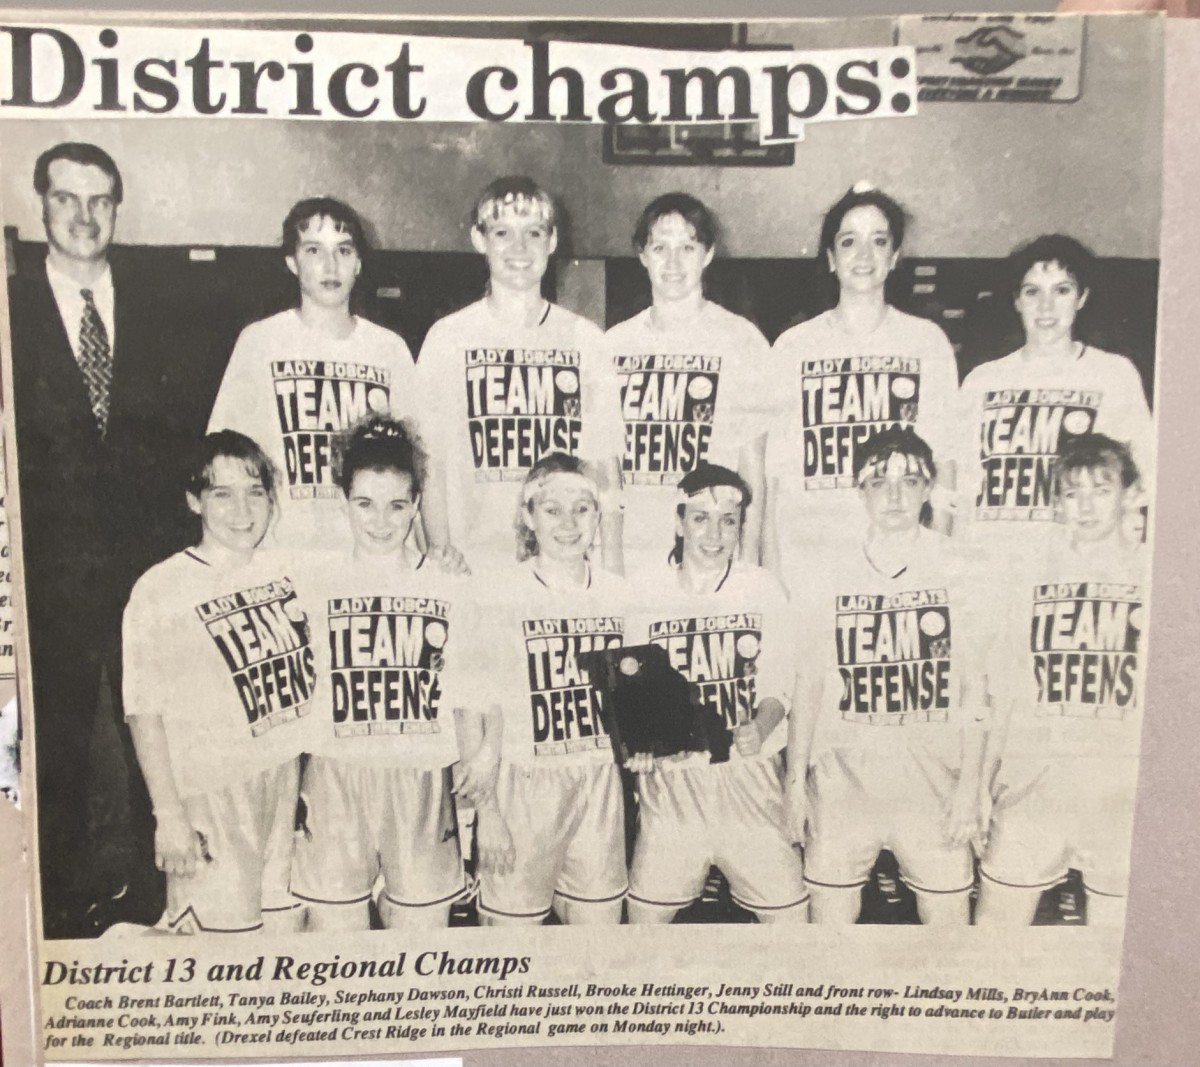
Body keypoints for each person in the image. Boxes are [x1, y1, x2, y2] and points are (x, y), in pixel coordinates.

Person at [8, 141, 188, 937]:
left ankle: (162, 894)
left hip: (147, 569)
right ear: (38, 203)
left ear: (118, 207)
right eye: (66, 198)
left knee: (159, 731)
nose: (83, 216)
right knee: (56, 747)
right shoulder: (10, 310)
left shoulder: (165, 306)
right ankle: (60, 901)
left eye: (100, 200)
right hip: (45, 572)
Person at [788, 427, 988, 926]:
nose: (895, 495)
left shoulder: (961, 566)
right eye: (880, 481)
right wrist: (793, 783)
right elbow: (809, 683)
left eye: (910, 480)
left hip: (932, 780)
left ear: (929, 487)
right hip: (843, 781)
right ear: (859, 490)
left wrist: (971, 788)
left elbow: (975, 688)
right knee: (829, 933)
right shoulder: (825, 570)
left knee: (948, 933)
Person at [122, 431, 314, 934]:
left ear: (273, 499)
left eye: (254, 491)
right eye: (221, 494)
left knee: (283, 948)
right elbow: (144, 712)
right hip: (212, 795)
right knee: (220, 959)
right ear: (194, 501)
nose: (241, 509)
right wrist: (168, 815)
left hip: (283, 785)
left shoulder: (288, 570)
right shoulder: (160, 588)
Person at [289, 417, 468, 930]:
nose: (381, 520)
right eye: (365, 503)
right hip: (337, 778)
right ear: (343, 500)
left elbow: (473, 686)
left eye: (396, 505)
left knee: (423, 955)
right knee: (336, 955)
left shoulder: (444, 580)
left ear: (416, 505)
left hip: (420, 778)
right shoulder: (313, 580)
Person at [976, 434, 1147, 928]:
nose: (1086, 505)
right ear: (1056, 504)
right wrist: (981, 786)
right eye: (1072, 493)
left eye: (1102, 488)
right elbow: (1003, 692)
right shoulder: (1030, 576)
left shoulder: (1153, 577)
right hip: (1034, 784)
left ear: (1130, 494)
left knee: (1112, 954)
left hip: (1118, 791)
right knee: (994, 940)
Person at [625, 464, 808, 925]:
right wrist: (639, 744)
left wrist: (761, 725)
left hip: (749, 779)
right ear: (678, 521)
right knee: (644, 929)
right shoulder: (643, 591)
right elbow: (631, 694)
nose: (714, 533)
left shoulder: (762, 588)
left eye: (728, 520)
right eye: (701, 518)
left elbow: (779, 687)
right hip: (672, 788)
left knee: (790, 923)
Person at [417, 177, 623, 574]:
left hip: (564, 564)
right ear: (480, 240)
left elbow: (604, 469)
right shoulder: (447, 338)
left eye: (533, 233)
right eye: (502, 233)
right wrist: (442, 555)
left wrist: (611, 571)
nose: (519, 249)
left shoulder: (586, 340)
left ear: (553, 240)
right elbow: (431, 467)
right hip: (475, 563)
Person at [457, 453, 628, 925]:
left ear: (598, 514)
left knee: (597, 950)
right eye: (553, 510)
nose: (569, 523)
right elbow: (470, 707)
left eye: (582, 508)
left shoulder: (619, 594)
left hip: (597, 783)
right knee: (513, 951)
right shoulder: (497, 593)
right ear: (528, 516)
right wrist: (486, 813)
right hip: (523, 789)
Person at [208, 197, 418, 553]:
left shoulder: (390, 349)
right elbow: (224, 461)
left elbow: (417, 465)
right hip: (285, 553)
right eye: (314, 251)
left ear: (359, 264)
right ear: (292, 262)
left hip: (370, 554)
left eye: (344, 251)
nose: (330, 266)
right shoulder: (260, 341)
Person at [768, 185, 960, 572]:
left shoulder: (926, 342)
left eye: (879, 241)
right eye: (849, 241)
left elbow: (946, 464)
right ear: (831, 258)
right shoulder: (793, 347)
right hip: (811, 557)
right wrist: (772, 575)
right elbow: (773, 482)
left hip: (898, 558)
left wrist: (938, 557)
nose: (864, 255)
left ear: (894, 257)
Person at [957, 234, 1153, 564]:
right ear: (1017, 300)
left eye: (1061, 290)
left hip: (1073, 566)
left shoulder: (1113, 374)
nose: (1046, 307)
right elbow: (961, 484)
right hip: (992, 562)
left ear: (1081, 297)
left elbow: (1145, 478)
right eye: (1032, 292)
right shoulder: (982, 380)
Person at [605, 193, 772, 571]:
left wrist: (747, 562)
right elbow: (605, 470)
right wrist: (608, 563)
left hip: (710, 555)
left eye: (688, 247)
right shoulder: (613, 345)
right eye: (660, 247)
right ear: (643, 254)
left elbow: (753, 470)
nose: (674, 263)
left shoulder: (742, 340)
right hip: (634, 555)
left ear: (708, 254)